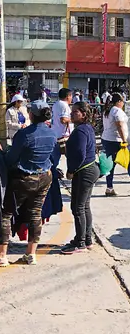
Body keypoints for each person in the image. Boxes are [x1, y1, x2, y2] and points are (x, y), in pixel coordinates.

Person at [0, 100, 57, 268]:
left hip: (24, 178)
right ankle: (31, 254)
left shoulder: (24, 134)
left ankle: (1, 256)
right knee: (35, 214)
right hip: (45, 177)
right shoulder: (52, 133)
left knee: (6, 213)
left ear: (31, 115)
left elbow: (11, 159)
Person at [62, 101, 100, 254]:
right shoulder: (86, 128)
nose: (71, 114)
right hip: (89, 170)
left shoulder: (81, 131)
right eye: (71, 111)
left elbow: (80, 154)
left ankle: (81, 242)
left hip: (84, 171)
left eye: (75, 112)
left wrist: (71, 170)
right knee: (84, 206)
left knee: (78, 207)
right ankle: (87, 239)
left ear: (83, 114)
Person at [101, 93, 128, 197]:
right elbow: (119, 125)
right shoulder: (117, 111)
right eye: (122, 102)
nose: (123, 104)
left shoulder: (107, 111)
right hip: (116, 141)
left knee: (110, 165)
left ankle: (109, 187)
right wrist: (124, 140)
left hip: (107, 139)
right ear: (119, 102)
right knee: (128, 162)